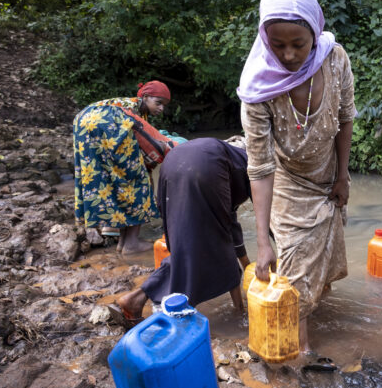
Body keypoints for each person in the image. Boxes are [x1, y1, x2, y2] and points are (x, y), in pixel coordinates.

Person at [237, 0, 356, 354]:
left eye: (298, 44)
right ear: (264, 39)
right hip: (286, 180)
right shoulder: (257, 88)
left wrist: (342, 177)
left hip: (328, 173)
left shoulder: (335, 60)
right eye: (278, 45)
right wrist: (262, 242)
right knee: (291, 263)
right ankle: (299, 352)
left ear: (315, 33)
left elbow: (346, 117)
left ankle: (313, 314)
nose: (288, 55)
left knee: (324, 252)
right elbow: (259, 167)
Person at [111, 137, 251, 327]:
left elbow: (230, 219)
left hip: (171, 166)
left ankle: (136, 298)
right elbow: (231, 226)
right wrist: (248, 263)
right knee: (220, 248)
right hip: (204, 167)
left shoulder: (227, 154)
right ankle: (238, 312)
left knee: (184, 249)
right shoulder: (249, 165)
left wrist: (245, 262)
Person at [73, 80, 171, 254]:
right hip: (107, 120)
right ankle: (131, 244)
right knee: (136, 178)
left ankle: (119, 238)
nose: (161, 108)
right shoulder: (132, 111)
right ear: (145, 97)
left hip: (82, 121)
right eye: (158, 103)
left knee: (106, 177)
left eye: (164, 105)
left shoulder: (124, 105)